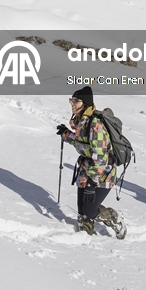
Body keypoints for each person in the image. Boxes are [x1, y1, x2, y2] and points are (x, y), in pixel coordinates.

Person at [57, 86, 126, 239]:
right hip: (85, 170)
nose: (72, 104)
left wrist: (92, 184)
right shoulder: (81, 121)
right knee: (82, 210)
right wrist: (67, 134)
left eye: (76, 101)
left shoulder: (95, 125)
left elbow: (100, 157)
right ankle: (86, 238)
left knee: (89, 209)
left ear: (86, 103)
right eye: (71, 100)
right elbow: (82, 144)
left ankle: (113, 218)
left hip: (102, 174)